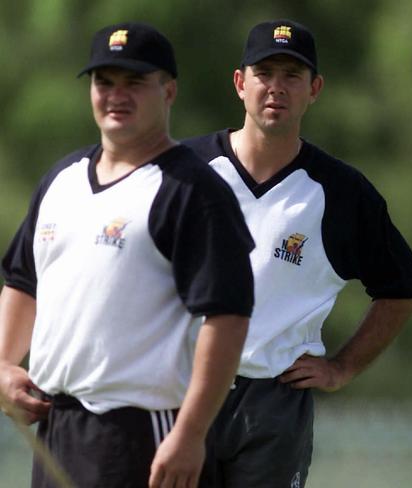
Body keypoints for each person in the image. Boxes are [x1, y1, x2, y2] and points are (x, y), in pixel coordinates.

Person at [0, 22, 255, 488]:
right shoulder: (62, 179)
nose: (117, 95)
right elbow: (21, 281)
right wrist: (3, 366)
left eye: (135, 82)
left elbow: (229, 316)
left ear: (169, 91)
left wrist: (191, 432)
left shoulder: (192, 191)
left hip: (140, 431)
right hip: (56, 424)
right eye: (104, 82)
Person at [184, 19, 412, 487]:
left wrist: (342, 367)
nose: (277, 88)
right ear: (240, 83)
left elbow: (404, 290)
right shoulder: (185, 169)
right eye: (265, 73)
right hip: (180, 389)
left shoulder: (341, 191)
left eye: (292, 76)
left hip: (272, 405)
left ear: (314, 88)